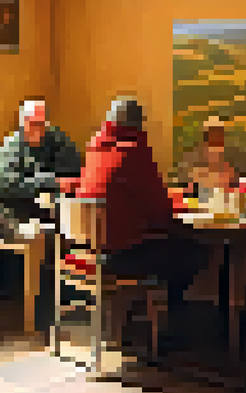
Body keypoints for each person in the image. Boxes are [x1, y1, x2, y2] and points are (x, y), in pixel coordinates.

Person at [60, 97, 208, 349]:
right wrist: (178, 204)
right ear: (139, 125)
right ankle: (169, 329)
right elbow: (159, 210)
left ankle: (130, 319)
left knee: (170, 249)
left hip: (87, 251)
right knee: (194, 253)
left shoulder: (95, 149)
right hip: (119, 255)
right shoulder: (134, 150)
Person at [0, 98, 83, 227]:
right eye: (32, 123)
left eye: (41, 124)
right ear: (22, 123)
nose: (38, 129)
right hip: (20, 217)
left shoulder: (58, 141)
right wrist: (51, 182)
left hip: (56, 213)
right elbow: (3, 185)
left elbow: (73, 174)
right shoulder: (11, 146)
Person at [177, 118, 246, 198]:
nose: (217, 136)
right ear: (206, 135)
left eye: (219, 133)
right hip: (202, 197)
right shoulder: (194, 155)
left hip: (227, 197)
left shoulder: (231, 154)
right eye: (213, 133)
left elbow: (240, 178)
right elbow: (186, 180)